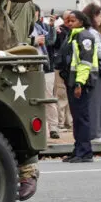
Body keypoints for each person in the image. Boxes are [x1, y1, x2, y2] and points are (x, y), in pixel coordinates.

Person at [58, 10, 98, 163]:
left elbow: (85, 63)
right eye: (68, 20)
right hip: (72, 81)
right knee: (77, 118)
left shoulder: (85, 37)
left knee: (81, 118)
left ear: (81, 22)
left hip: (81, 83)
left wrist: (79, 83)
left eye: (73, 20)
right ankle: (78, 149)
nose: (69, 23)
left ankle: (85, 152)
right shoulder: (72, 35)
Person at [81, 3, 101, 144]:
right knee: (96, 102)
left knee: (93, 103)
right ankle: (97, 132)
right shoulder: (93, 33)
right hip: (95, 71)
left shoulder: (85, 31)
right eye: (100, 16)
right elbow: (100, 54)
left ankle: (95, 131)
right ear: (93, 16)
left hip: (88, 71)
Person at [31, 12, 59, 140]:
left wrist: (52, 27)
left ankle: (53, 128)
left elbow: (51, 41)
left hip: (46, 68)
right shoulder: (22, 27)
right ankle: (43, 129)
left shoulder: (42, 27)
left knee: (48, 97)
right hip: (31, 69)